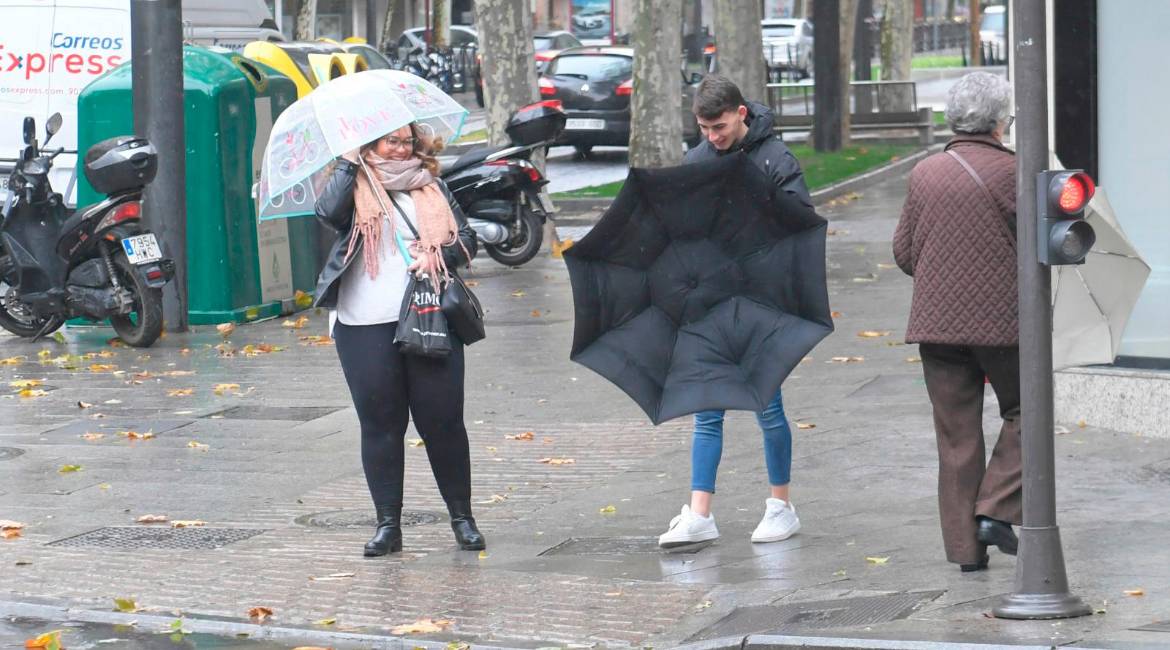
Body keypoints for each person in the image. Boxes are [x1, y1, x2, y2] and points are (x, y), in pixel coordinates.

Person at [313, 123, 483, 556]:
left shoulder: (431, 186)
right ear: (371, 145)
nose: (401, 148)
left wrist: (436, 253)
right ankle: (388, 525)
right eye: (392, 141)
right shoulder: (350, 185)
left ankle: (462, 519)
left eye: (407, 141)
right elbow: (327, 214)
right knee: (381, 425)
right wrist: (350, 162)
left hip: (429, 314)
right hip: (363, 323)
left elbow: (466, 240)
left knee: (443, 422)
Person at [658, 74, 813, 549]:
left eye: (719, 127)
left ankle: (781, 506)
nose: (712, 137)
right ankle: (700, 513)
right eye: (704, 129)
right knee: (707, 410)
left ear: (741, 113)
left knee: (768, 405)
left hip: (764, 305)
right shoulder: (697, 160)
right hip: (711, 304)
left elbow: (801, 226)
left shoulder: (775, 159)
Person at [892, 71, 1021, 572]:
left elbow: (904, 253)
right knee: (1028, 412)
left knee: (956, 436)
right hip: (1002, 325)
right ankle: (996, 508)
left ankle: (966, 553)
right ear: (997, 121)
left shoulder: (924, 173)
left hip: (937, 327)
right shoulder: (1014, 173)